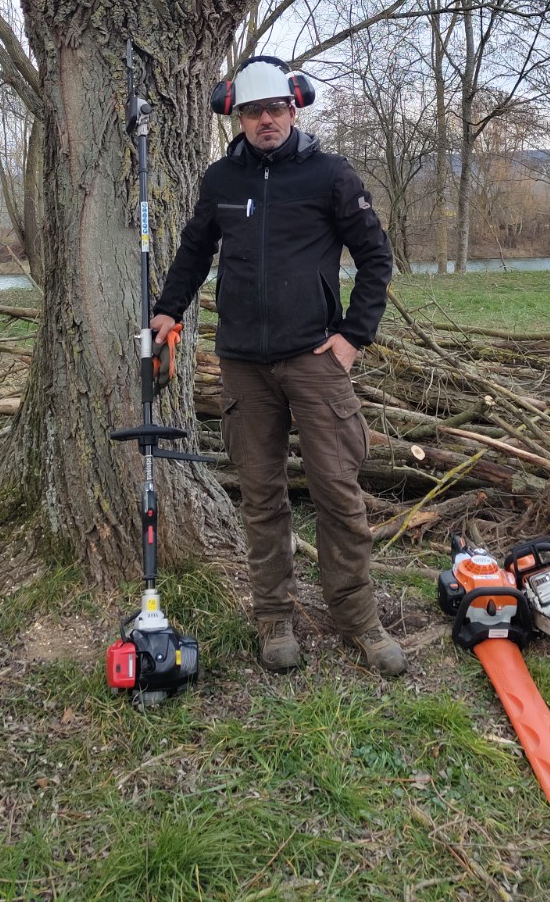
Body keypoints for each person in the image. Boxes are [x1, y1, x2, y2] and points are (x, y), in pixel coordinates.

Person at [150, 54, 406, 677]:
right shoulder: (219, 182)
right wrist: (167, 310)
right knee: (261, 496)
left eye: (276, 109)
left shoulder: (330, 175)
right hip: (243, 364)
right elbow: (193, 251)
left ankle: (358, 620)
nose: (266, 120)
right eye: (253, 112)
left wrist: (351, 338)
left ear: (294, 109)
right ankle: (274, 616)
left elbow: (376, 259)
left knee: (338, 492)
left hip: (316, 359)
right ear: (236, 117)